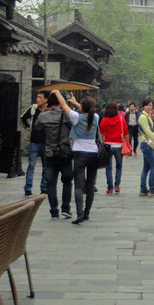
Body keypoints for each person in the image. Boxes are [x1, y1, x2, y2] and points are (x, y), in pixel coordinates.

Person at [33, 91, 74, 220]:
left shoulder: (43, 116)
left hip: (50, 153)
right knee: (67, 181)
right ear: (61, 102)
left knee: (51, 183)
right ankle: (66, 209)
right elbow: (73, 125)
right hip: (65, 153)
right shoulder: (66, 115)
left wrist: (45, 112)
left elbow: (37, 127)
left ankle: (54, 211)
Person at [62, 93, 99, 224]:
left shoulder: (76, 117)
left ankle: (79, 214)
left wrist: (56, 92)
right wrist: (76, 103)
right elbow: (87, 110)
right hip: (94, 153)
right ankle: (87, 213)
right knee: (90, 185)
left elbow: (64, 105)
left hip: (79, 154)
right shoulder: (95, 117)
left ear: (82, 107)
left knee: (78, 185)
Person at [20, 91, 50, 196]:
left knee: (46, 166)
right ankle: (28, 188)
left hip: (46, 141)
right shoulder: (33, 109)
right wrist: (29, 128)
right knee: (31, 165)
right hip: (34, 141)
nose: (37, 99)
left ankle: (44, 187)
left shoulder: (49, 110)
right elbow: (22, 118)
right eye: (37, 97)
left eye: (40, 97)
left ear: (46, 99)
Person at [99, 102, 127, 194]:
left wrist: (102, 141)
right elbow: (126, 133)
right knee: (119, 166)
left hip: (107, 146)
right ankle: (117, 185)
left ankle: (110, 188)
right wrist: (127, 143)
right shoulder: (121, 119)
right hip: (119, 145)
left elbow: (101, 134)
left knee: (108, 167)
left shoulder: (104, 120)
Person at [137, 99, 154, 197]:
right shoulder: (143, 117)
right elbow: (148, 131)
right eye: (147, 105)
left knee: (146, 167)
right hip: (146, 143)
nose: (149, 107)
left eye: (151, 105)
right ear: (143, 106)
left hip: (147, 143)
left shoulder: (148, 116)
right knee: (153, 166)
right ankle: (152, 189)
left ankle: (143, 189)